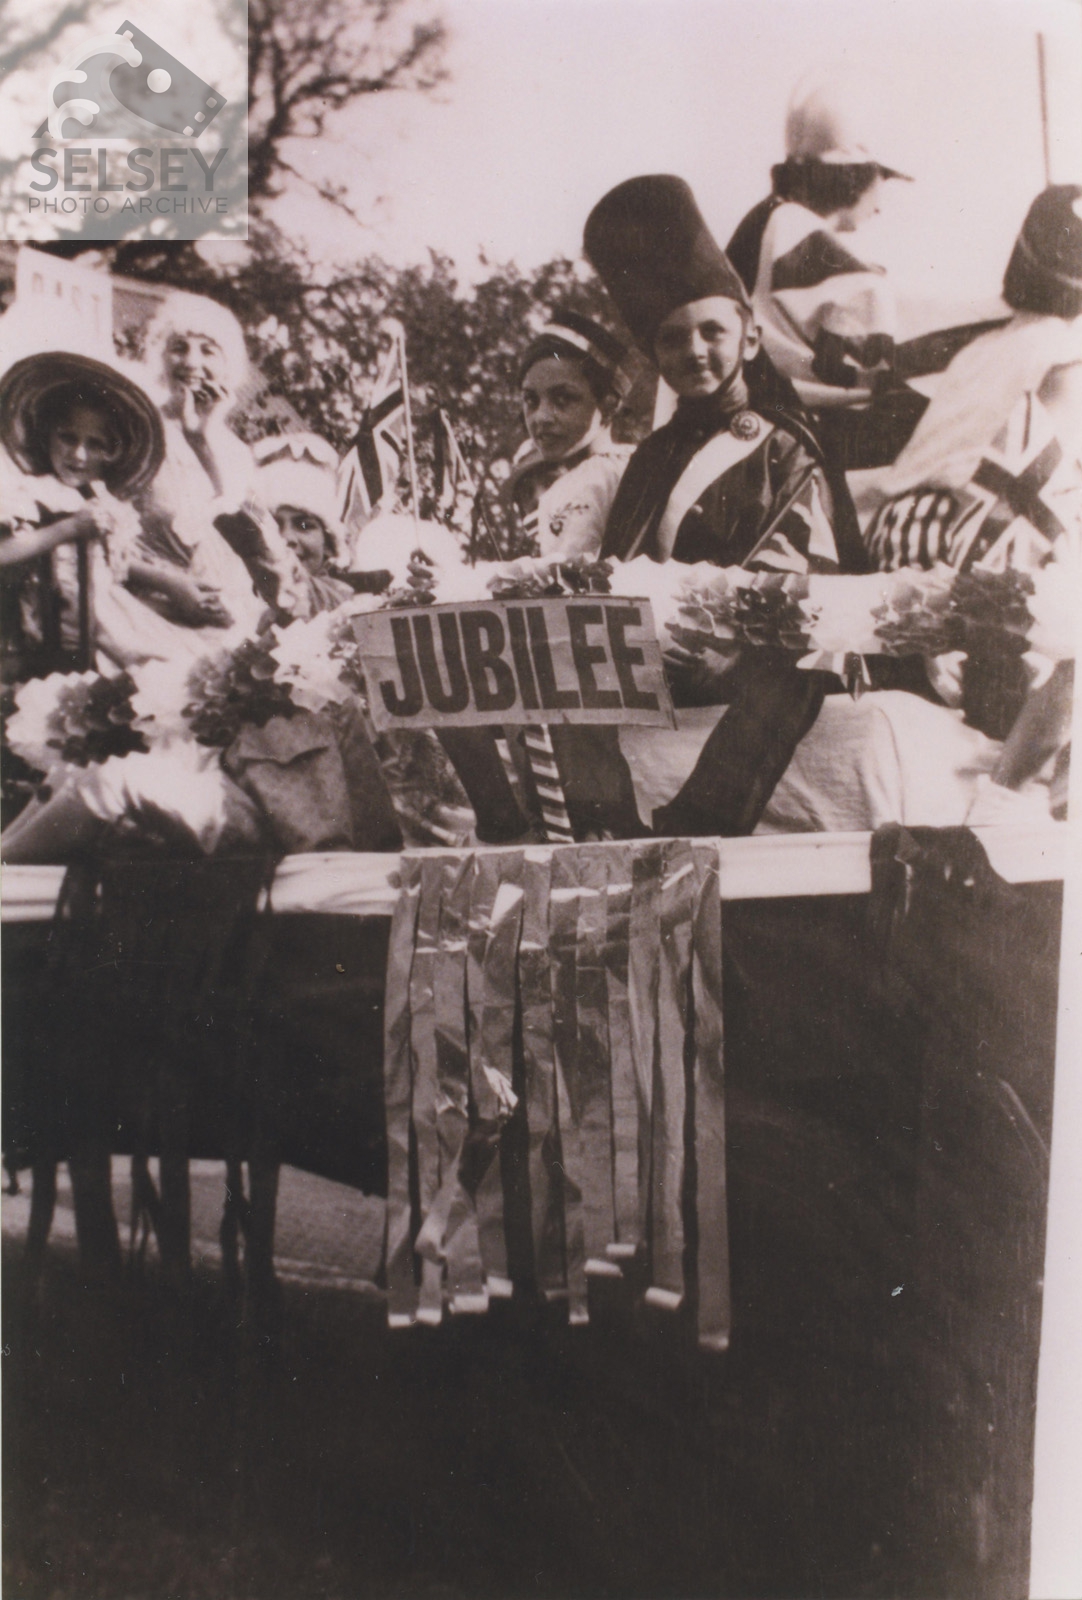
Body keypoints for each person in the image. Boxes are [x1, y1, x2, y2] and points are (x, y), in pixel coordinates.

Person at [584, 174, 846, 835]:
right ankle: (605, 822)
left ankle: (698, 822)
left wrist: (719, 648)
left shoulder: (788, 446)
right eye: (672, 339)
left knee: (804, 653)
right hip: (660, 658)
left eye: (710, 331)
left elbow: (803, 580)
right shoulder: (648, 458)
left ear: (749, 339)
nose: (693, 350)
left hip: (752, 656)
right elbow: (618, 573)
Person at [726, 76, 924, 481]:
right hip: (786, 440)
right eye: (882, 178)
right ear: (858, 173)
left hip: (761, 432)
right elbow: (880, 332)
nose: (881, 203)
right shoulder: (793, 227)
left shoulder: (771, 219)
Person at [0, 352, 239, 671]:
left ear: (113, 452)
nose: (78, 454)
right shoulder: (33, 492)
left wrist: (168, 583)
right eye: (67, 437)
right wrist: (68, 529)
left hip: (103, 613)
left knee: (196, 650)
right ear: (47, 433)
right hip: (54, 625)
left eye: (95, 444)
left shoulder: (105, 500)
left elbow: (118, 564)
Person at [135, 292, 306, 633]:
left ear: (228, 365)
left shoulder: (235, 451)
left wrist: (205, 437)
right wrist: (170, 584)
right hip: (150, 609)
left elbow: (258, 546)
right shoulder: (138, 431)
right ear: (161, 356)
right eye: (179, 347)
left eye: (208, 350)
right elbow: (104, 533)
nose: (191, 362)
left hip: (224, 615)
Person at [505, 312, 632, 558]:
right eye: (531, 400)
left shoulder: (592, 479)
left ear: (608, 405)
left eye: (563, 399)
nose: (541, 417)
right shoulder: (633, 462)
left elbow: (569, 587)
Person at [252, 433, 356, 614]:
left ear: (329, 545)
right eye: (273, 525)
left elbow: (300, 591)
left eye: (304, 526)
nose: (286, 537)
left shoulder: (338, 597)